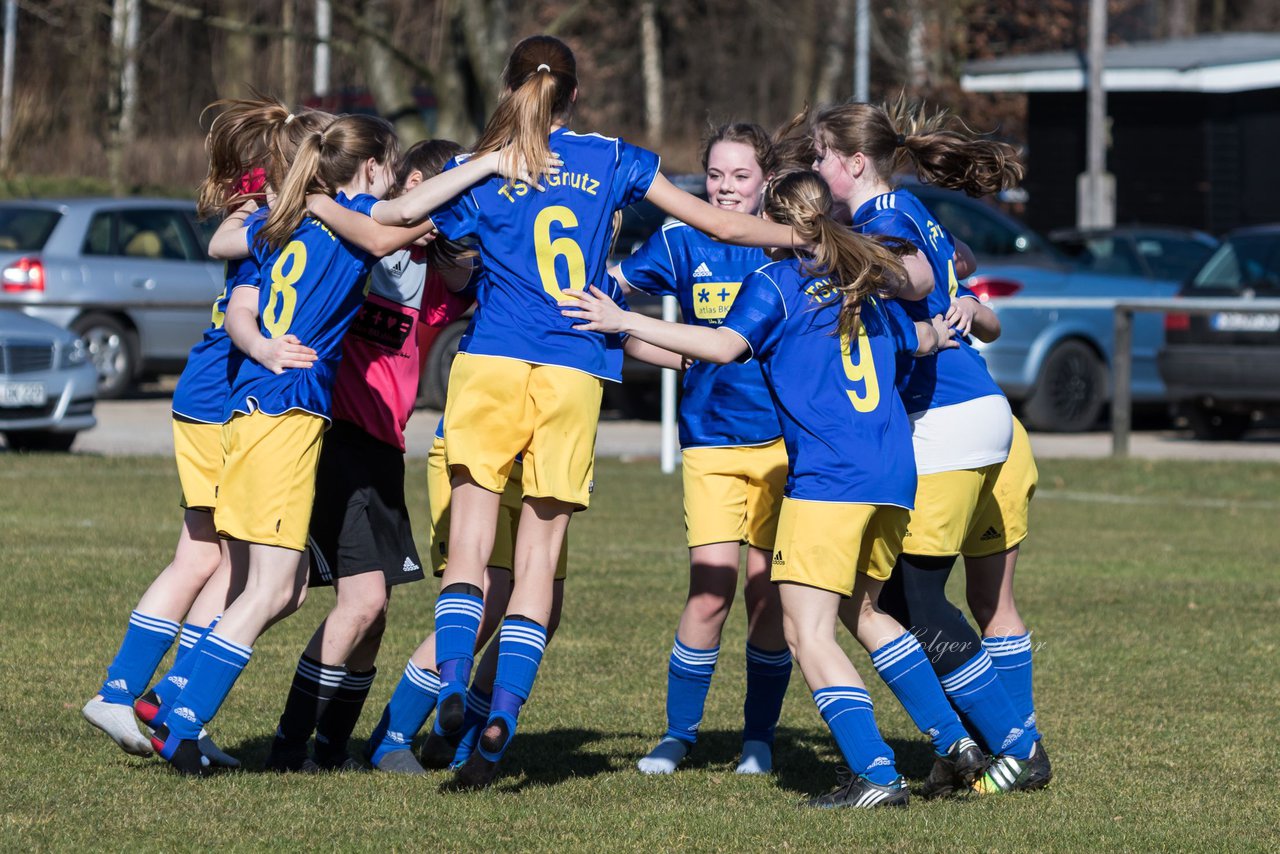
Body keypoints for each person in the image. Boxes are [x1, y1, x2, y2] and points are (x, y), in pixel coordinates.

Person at [365, 34, 800, 789]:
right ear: (575, 96)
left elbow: (394, 213)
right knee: (537, 565)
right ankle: (498, 709)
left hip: (493, 362)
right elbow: (724, 226)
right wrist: (811, 238)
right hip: (571, 371)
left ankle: (452, 695)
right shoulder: (612, 157)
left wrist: (483, 164)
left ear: (511, 88)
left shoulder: (486, 165)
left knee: (470, 552)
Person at [565, 169, 991, 809]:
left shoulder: (775, 282)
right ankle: (955, 741)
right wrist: (956, 319)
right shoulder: (862, 283)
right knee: (864, 612)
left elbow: (718, 345)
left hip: (830, 481)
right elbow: (927, 337)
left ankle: (875, 775)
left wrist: (623, 319)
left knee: (807, 632)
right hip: (893, 475)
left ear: (778, 225)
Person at [149, 114, 529, 775]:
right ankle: (198, 721)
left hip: (336, 434)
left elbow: (455, 272)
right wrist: (489, 167)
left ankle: (243, 724)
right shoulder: (356, 224)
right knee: (283, 589)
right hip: (307, 424)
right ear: (386, 172)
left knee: (300, 592)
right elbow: (380, 225)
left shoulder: (313, 221)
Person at [810, 98, 1050, 794]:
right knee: (938, 599)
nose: (819, 169)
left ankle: (1016, 748)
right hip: (984, 415)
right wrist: (962, 295)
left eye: (825, 156)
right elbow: (953, 268)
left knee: (906, 602)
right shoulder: (908, 207)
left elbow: (912, 271)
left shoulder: (883, 221)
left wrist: (873, 264)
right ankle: (979, 747)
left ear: (854, 163)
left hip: (946, 422)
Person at [82, 98, 331, 766]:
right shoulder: (273, 208)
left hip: (226, 399)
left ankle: (170, 701)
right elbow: (223, 238)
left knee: (248, 572)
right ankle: (126, 692)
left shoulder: (284, 208)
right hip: (218, 399)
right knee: (209, 559)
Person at [261, 139, 478, 773]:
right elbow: (357, 227)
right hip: (339, 438)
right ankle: (290, 746)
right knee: (362, 604)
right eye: (448, 191)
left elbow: (461, 285)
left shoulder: (427, 268)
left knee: (376, 614)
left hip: (385, 447)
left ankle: (331, 748)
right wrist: (319, 196)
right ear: (410, 181)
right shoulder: (358, 239)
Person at [610, 123, 792, 776]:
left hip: (781, 447)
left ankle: (758, 741)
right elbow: (615, 292)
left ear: (767, 179)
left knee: (766, 591)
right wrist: (657, 352)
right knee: (710, 592)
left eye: (740, 176)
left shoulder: (787, 244)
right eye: (715, 175)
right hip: (709, 445)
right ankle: (678, 734)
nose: (725, 188)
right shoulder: (680, 240)